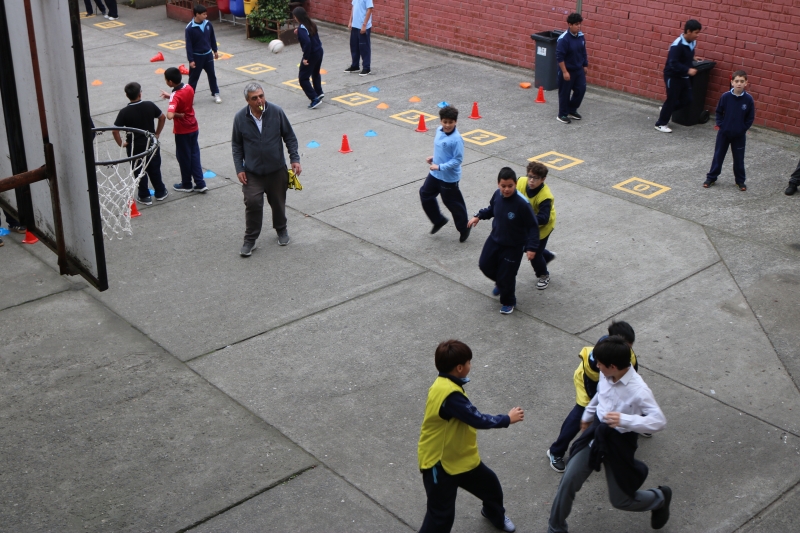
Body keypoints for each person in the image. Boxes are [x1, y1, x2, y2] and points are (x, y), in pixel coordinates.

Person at [548, 336, 670, 533]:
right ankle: (555, 528)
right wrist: (587, 415)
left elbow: (659, 421)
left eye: (600, 364)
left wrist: (625, 420)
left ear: (613, 366)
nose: (596, 366)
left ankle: (659, 498)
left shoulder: (639, 391)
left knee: (621, 500)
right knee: (569, 480)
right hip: (596, 433)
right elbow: (599, 395)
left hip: (619, 443)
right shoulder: (606, 375)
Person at [418, 339, 524, 533]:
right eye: (469, 362)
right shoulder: (450, 395)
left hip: (460, 457)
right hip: (439, 464)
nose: (470, 365)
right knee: (440, 516)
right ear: (459, 368)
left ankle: (493, 514)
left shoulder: (444, 383)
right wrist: (507, 419)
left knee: (490, 487)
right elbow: (478, 419)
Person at [546, 321, 640, 473]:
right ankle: (556, 451)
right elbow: (595, 389)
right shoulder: (596, 362)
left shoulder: (625, 352)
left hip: (611, 382)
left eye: (630, 347)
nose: (628, 350)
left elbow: (633, 374)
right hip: (588, 384)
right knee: (582, 412)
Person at [231, 83, 301, 257]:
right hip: (252, 173)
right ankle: (250, 240)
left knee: (278, 202)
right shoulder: (240, 118)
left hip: (276, 170)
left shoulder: (276, 112)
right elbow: (236, 145)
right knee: (253, 202)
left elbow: (289, 136)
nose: (259, 100)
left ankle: (281, 229)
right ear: (248, 100)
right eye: (254, 98)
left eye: (261, 96)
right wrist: (239, 168)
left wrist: (294, 158)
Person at [467, 167, 539, 315]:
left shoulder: (522, 204)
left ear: (516, 184)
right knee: (484, 265)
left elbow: (533, 226)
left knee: (507, 275)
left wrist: (531, 247)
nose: (506, 189)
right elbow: (492, 209)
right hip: (495, 239)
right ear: (498, 184)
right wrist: (479, 216)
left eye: (510, 186)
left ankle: (508, 301)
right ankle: (501, 283)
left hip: (513, 246)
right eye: (503, 186)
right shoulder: (497, 195)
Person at [112, 82, 168, 205]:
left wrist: (121, 143)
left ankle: (144, 195)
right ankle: (160, 191)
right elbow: (162, 117)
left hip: (134, 146)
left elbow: (115, 130)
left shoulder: (124, 112)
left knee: (138, 170)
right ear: (140, 93)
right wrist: (157, 133)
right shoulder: (149, 105)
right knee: (154, 168)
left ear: (127, 95)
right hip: (150, 143)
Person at [419, 106, 469, 242]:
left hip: (448, 177)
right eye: (445, 122)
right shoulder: (438, 131)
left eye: (450, 122)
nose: (447, 125)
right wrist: (434, 158)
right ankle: (438, 220)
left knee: (452, 203)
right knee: (425, 193)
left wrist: (440, 166)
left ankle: (464, 227)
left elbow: (458, 160)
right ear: (441, 121)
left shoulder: (456, 139)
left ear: (455, 122)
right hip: (436, 173)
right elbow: (441, 150)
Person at [703, 70, 755, 191]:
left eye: (742, 81)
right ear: (732, 82)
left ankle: (740, 181)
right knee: (718, 156)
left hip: (739, 135)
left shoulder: (748, 99)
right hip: (724, 134)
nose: (739, 84)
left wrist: (742, 129)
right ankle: (711, 178)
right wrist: (721, 125)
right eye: (736, 81)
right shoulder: (725, 97)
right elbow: (719, 112)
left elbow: (750, 118)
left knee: (739, 159)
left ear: (746, 83)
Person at [160, 67, 207, 194]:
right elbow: (184, 98)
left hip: (182, 131)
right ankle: (200, 182)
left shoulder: (175, 96)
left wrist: (177, 114)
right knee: (194, 155)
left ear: (170, 82)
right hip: (193, 126)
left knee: (183, 157)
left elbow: (169, 115)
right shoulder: (188, 87)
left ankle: (186, 184)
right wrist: (170, 96)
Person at [654, 19, 702, 133]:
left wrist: (692, 58)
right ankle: (660, 124)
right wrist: (688, 69)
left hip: (683, 76)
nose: (697, 35)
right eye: (696, 32)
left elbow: (686, 54)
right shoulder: (677, 45)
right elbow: (673, 62)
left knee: (687, 99)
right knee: (672, 99)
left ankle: (666, 110)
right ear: (688, 31)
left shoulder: (692, 42)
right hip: (673, 75)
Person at [516, 162, 556, 289]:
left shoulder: (545, 196)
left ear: (543, 179)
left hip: (543, 228)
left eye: (536, 178)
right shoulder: (521, 181)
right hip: (527, 225)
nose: (531, 181)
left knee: (533, 254)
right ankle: (547, 255)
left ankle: (544, 275)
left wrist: (525, 219)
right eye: (530, 176)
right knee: (524, 247)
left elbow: (544, 218)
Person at [555, 13, 588, 124]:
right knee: (565, 92)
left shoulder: (581, 36)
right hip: (567, 70)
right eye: (576, 25)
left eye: (579, 24)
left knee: (581, 89)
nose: (578, 27)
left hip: (578, 69)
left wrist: (585, 65)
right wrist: (564, 72)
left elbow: (583, 51)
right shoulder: (563, 39)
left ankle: (572, 110)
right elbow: (560, 57)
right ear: (569, 25)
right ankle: (562, 114)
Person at [185, 4, 221, 104]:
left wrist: (215, 50)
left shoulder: (208, 24)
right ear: (197, 14)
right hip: (197, 57)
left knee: (212, 75)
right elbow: (189, 45)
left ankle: (216, 93)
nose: (206, 16)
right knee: (193, 78)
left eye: (206, 14)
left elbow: (212, 38)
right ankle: (190, 97)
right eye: (204, 14)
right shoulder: (189, 28)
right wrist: (191, 60)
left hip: (208, 55)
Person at [293, 7, 324, 109]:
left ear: (297, 17)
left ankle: (314, 98)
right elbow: (310, 35)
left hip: (311, 54)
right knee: (315, 72)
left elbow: (307, 42)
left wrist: (306, 58)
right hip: (319, 51)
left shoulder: (302, 28)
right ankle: (319, 92)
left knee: (303, 78)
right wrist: (299, 32)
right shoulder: (311, 24)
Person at [344, 0, 373, 76]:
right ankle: (355, 65)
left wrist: (364, 25)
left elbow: (369, 9)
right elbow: (353, 7)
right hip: (355, 25)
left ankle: (366, 68)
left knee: (364, 47)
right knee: (354, 46)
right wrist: (350, 21)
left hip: (362, 26)